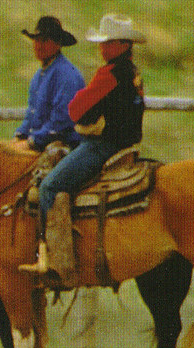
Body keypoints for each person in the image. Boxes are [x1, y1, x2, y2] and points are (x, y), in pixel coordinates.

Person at [20, 13, 146, 281]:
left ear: (122, 45)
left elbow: (76, 109)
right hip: (127, 145)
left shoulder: (110, 74)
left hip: (103, 146)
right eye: (101, 43)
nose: (101, 48)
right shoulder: (133, 73)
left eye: (106, 43)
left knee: (50, 186)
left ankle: (55, 260)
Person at [12, 16, 85, 152]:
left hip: (64, 145)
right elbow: (32, 115)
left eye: (44, 41)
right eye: (36, 40)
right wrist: (20, 135)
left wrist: (32, 142)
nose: (39, 45)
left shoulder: (68, 75)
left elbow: (61, 121)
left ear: (58, 44)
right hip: (42, 141)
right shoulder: (39, 76)